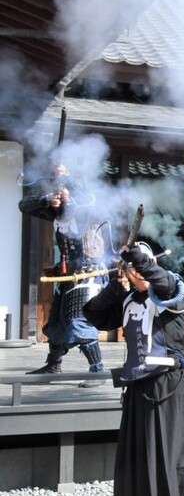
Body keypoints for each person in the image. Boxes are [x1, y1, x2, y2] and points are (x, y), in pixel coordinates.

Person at [82, 241, 184, 496]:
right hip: (136, 382)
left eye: (140, 264)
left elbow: (159, 280)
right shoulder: (129, 298)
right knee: (131, 456)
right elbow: (92, 314)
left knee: (167, 454)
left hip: (167, 383)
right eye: (131, 266)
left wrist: (139, 261)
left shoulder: (172, 288)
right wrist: (115, 282)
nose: (136, 270)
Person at [18, 163, 109, 387]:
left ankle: (97, 371)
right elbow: (24, 204)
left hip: (87, 272)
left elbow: (88, 199)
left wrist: (66, 182)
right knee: (56, 320)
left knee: (78, 320)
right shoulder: (56, 211)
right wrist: (48, 200)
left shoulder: (86, 206)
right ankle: (53, 364)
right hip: (67, 271)